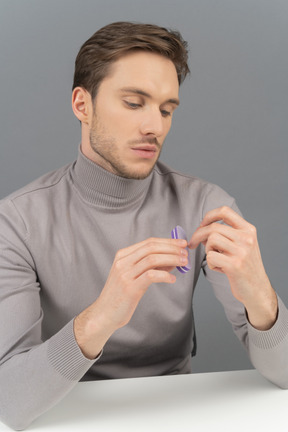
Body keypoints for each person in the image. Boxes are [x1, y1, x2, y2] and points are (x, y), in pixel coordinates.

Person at [0, 21, 287, 430]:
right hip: (62, 416)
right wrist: (101, 317)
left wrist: (264, 300)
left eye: (166, 109)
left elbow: (286, 375)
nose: (155, 126)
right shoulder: (16, 223)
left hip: (175, 417)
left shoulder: (206, 207)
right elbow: (10, 400)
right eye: (135, 103)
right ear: (83, 105)